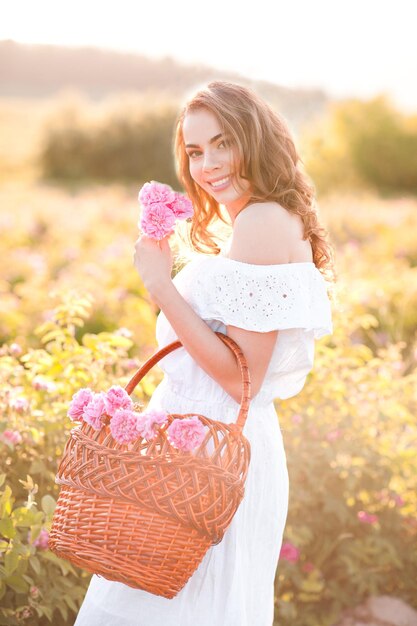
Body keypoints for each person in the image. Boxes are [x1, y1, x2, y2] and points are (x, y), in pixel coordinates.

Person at [74, 80, 334, 626]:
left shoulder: (263, 222)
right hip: (197, 450)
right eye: (194, 151)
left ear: (255, 140)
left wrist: (160, 285)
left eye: (223, 143)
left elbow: (243, 380)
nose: (208, 164)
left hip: (211, 454)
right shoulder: (254, 221)